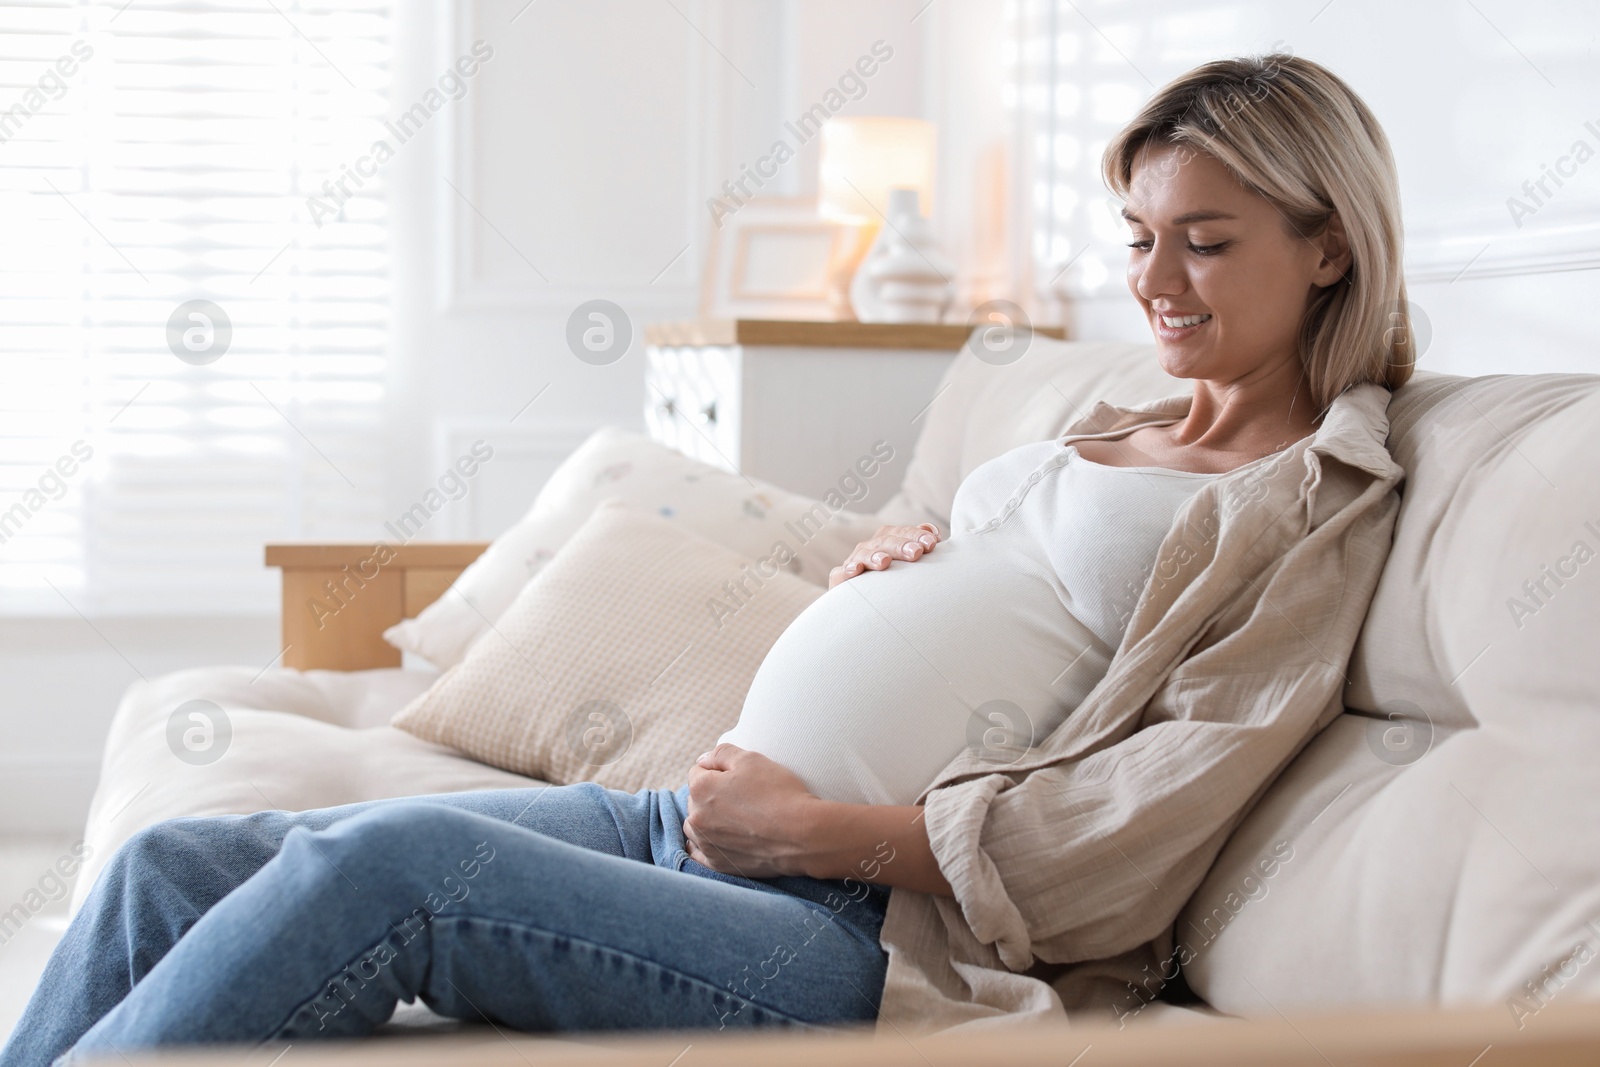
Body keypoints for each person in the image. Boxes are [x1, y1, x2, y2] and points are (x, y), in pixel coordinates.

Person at [1, 51, 1410, 1065]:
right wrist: (902, 563)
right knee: (172, 866)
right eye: (1139, 238)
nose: (1155, 283)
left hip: (860, 926)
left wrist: (819, 835)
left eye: (1207, 244)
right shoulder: (1121, 422)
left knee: (389, 873)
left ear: (1331, 248)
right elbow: (1020, 620)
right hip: (687, 824)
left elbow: (1141, 825)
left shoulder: (1311, 508)